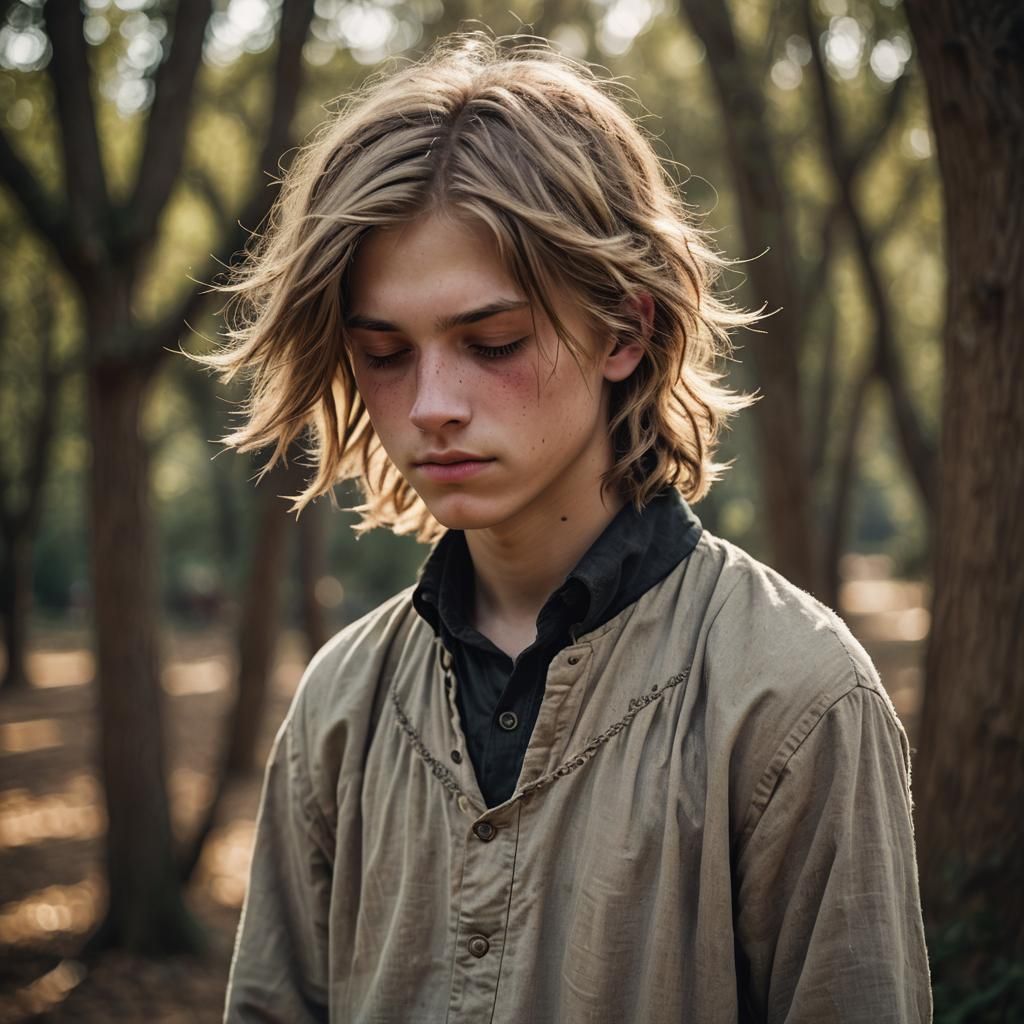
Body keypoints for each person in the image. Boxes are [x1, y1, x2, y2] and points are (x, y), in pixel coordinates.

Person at [199, 31, 932, 1023]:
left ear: (624, 330)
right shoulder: (340, 704)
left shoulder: (796, 698)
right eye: (383, 353)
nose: (431, 405)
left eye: (490, 341)